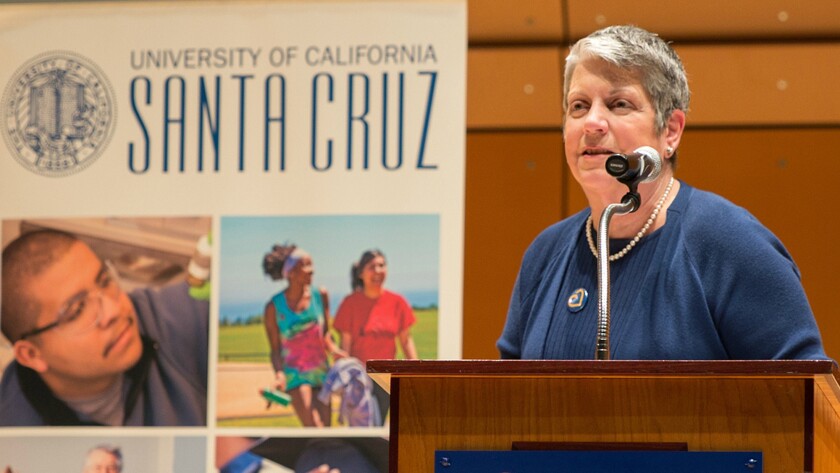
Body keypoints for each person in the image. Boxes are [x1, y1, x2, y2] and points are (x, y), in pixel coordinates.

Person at [497, 25, 828, 361]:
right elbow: (505, 402)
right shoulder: (545, 254)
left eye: (619, 104)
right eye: (579, 106)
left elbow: (804, 390)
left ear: (670, 131)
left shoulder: (729, 242)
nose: (592, 123)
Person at [0, 229, 208, 426]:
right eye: (78, 310)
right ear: (31, 355)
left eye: (104, 281)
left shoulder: (161, 317)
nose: (114, 310)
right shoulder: (13, 434)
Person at [333, 250, 418, 422]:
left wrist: (417, 373)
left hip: (385, 380)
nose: (378, 270)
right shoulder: (350, 303)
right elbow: (346, 345)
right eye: (372, 267)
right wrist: (343, 379)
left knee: (378, 427)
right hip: (359, 381)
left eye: (381, 265)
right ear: (361, 273)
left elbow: (406, 340)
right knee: (363, 431)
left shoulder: (397, 302)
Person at [262, 244, 338, 427]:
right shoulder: (273, 307)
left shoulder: (321, 295)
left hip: (321, 372)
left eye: (311, 264)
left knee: (327, 430)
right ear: (291, 272)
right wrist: (280, 375)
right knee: (313, 426)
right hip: (295, 375)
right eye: (306, 265)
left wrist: (336, 351)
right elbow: (275, 350)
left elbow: (325, 333)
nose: (312, 270)